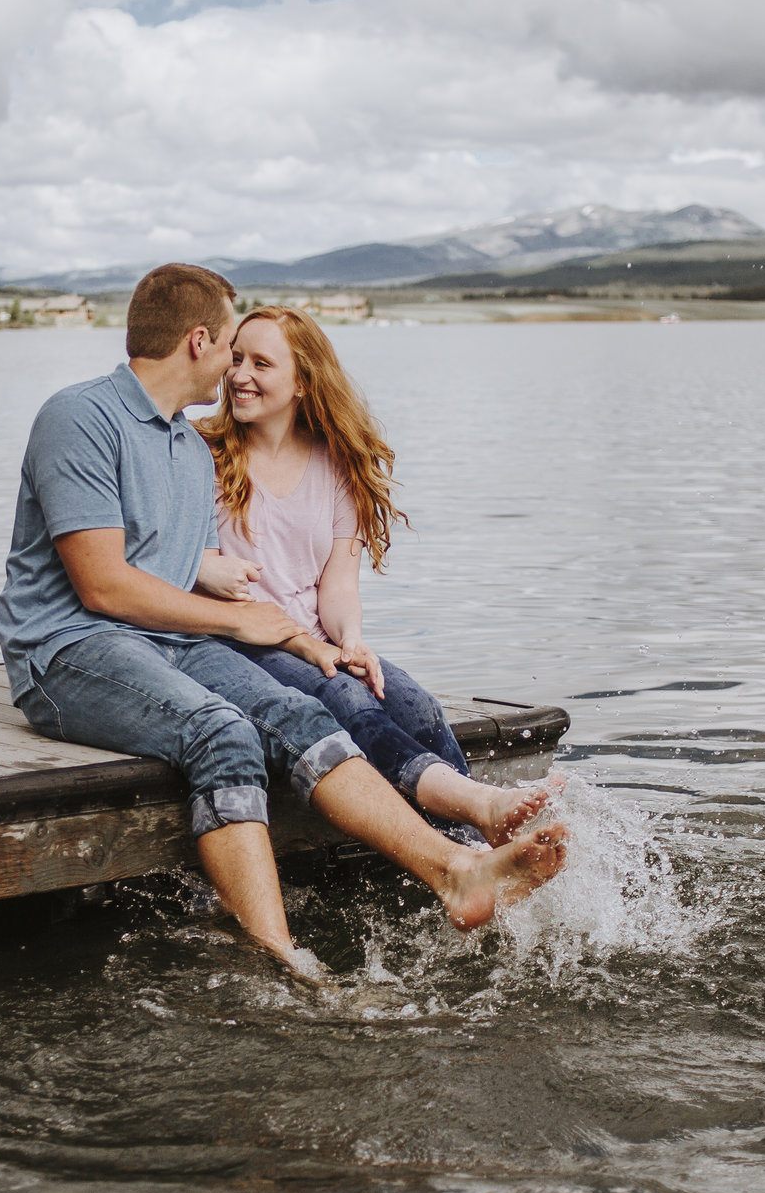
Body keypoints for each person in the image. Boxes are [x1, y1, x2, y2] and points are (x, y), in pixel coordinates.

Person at [0, 263, 565, 969]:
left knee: (307, 715)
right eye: (232, 345)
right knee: (225, 732)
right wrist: (244, 622)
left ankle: (459, 870)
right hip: (68, 650)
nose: (234, 364)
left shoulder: (183, 448)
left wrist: (304, 633)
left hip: (169, 642)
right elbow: (104, 587)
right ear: (199, 340)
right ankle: (279, 954)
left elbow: (183, 569)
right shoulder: (80, 417)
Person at [197, 305, 559, 848]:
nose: (240, 375)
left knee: (415, 705)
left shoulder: (335, 463)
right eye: (237, 358)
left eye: (261, 364)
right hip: (239, 642)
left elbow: (337, 585)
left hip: (313, 638)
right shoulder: (203, 454)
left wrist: (350, 641)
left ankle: (478, 853)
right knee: (347, 701)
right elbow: (190, 567)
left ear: (303, 381)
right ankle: (474, 821)